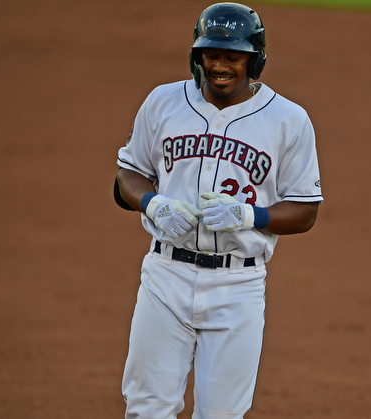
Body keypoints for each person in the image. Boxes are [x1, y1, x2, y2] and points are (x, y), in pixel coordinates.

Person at [113, 3, 323, 419]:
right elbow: (128, 175)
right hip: (165, 277)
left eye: (233, 56)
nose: (220, 66)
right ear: (197, 56)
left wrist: (250, 216)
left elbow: (306, 210)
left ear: (254, 59)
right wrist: (154, 203)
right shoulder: (163, 102)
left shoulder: (289, 120)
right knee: (146, 408)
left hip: (238, 286)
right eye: (212, 54)